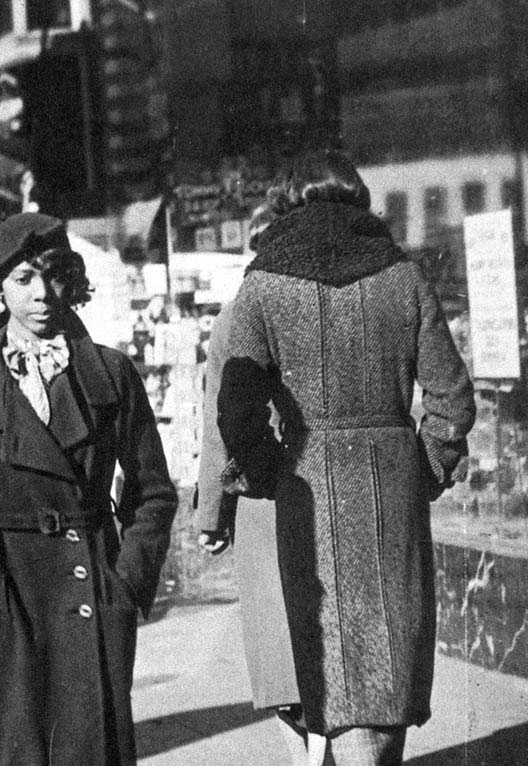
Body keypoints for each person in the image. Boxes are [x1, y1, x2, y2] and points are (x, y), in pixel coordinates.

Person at [216, 150, 476, 766]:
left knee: (321, 652)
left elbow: (236, 411)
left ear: (286, 205)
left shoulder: (262, 289)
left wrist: (269, 472)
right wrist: (425, 470)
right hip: (390, 484)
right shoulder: (404, 278)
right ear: (359, 199)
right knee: (389, 651)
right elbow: (452, 399)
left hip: (304, 487)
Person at [0, 212, 178, 765]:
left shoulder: (112, 374)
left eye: (53, 275)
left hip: (89, 587)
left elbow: (153, 494)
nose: (42, 293)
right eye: (24, 278)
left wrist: (122, 587)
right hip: (5, 592)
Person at [195, 215, 311, 766]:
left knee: (282, 656)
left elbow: (220, 424)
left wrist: (210, 516)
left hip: (264, 501)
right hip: (327, 489)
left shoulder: (235, 318)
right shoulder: (321, 306)